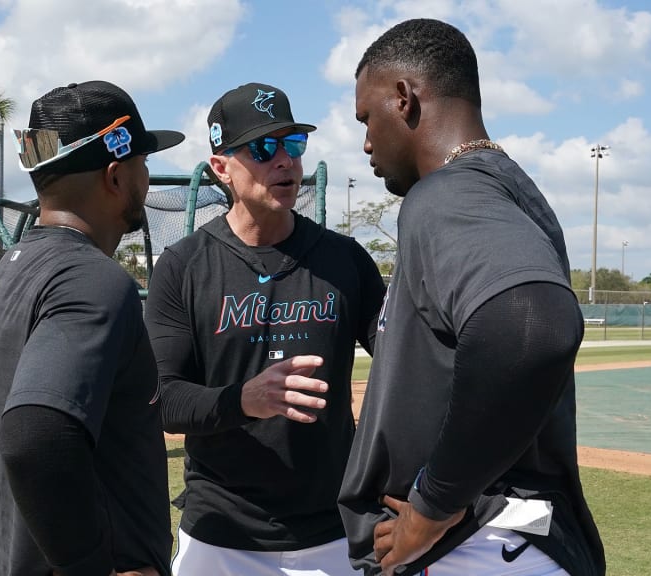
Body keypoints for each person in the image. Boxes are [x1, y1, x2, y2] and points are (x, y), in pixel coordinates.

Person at [338, 19, 605, 576]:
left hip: (474, 547)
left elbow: (533, 325)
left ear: (405, 99)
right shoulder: (498, 184)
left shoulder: (447, 193)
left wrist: (433, 505)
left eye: (367, 119)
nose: (366, 142)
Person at [0, 80, 184, 576]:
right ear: (115, 175)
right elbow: (35, 435)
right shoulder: (94, 280)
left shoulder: (9, 271)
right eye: (142, 163)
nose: (147, 179)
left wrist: (7, 512)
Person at [144, 82, 385, 576]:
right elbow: (163, 400)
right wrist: (243, 400)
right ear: (221, 168)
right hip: (220, 537)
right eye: (262, 148)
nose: (285, 162)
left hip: (330, 532)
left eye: (293, 145)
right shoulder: (183, 267)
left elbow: (403, 362)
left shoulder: (346, 261)